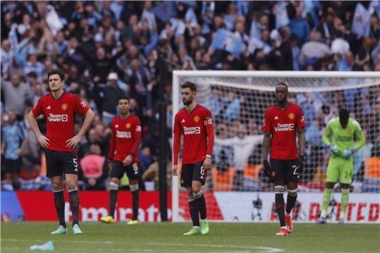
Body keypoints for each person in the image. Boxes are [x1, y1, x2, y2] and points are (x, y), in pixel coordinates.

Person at [27, 68, 95, 235]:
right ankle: (62, 226)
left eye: (56, 80)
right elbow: (31, 116)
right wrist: (39, 135)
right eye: (50, 80)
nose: (53, 83)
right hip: (51, 150)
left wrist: (79, 135)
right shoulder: (44, 101)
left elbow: (90, 114)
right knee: (57, 186)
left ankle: (76, 224)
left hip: (68, 150)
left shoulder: (71, 99)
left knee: (71, 184)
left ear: (62, 82)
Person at [262, 82, 306, 236]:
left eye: (282, 92)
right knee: (279, 189)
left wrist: (302, 154)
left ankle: (288, 214)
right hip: (276, 158)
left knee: (293, 191)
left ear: (287, 93)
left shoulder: (296, 110)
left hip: (292, 157)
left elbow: (301, 133)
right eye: (277, 92)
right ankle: (282, 227)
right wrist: (264, 159)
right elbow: (267, 136)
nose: (279, 94)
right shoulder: (269, 112)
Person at [172, 81, 215, 236]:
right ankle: (195, 227)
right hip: (187, 160)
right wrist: (176, 162)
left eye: (187, 93)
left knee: (196, 188)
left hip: (200, 158)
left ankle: (204, 221)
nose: (184, 96)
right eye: (182, 93)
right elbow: (176, 140)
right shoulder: (179, 116)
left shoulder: (204, 112)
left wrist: (208, 156)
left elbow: (211, 135)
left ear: (194, 94)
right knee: (189, 192)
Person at [317, 108, 366, 224]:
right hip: (335, 158)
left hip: (347, 159)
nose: (344, 124)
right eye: (342, 122)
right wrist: (330, 145)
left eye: (345, 122)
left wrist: (352, 150)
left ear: (348, 119)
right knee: (329, 184)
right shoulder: (332, 123)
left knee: (345, 186)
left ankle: (342, 217)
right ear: (339, 119)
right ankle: (323, 215)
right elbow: (324, 137)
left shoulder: (354, 125)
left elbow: (362, 140)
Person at [100, 96, 142, 224]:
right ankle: (111, 215)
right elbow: (113, 141)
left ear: (129, 106)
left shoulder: (135, 121)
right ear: (118, 106)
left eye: (125, 103)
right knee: (113, 182)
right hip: (118, 159)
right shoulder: (115, 122)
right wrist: (110, 158)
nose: (123, 105)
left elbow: (137, 140)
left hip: (132, 160)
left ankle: (135, 217)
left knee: (133, 186)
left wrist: (130, 155)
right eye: (121, 104)